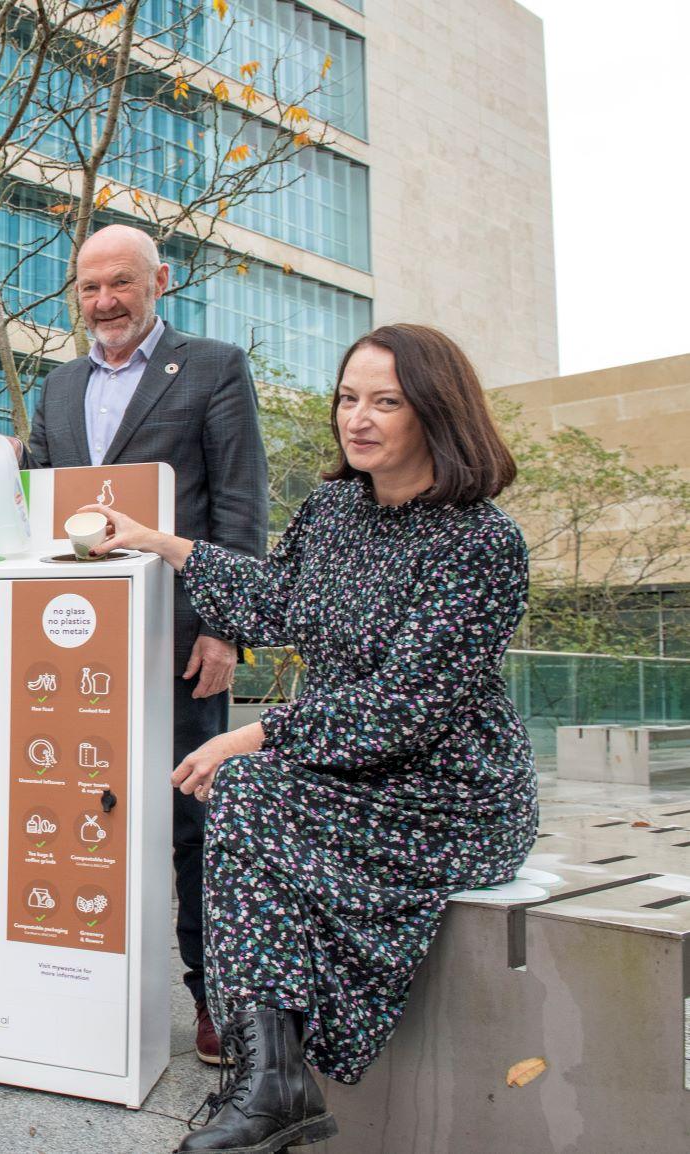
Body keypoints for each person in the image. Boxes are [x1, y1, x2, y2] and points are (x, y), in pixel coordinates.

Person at [82, 324, 534, 1153]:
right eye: (348, 398)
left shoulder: (481, 541)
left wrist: (256, 734)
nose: (357, 419)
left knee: (248, 787)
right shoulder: (335, 508)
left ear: (436, 413)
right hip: (340, 768)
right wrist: (159, 542)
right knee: (252, 798)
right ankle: (270, 1081)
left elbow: (407, 707)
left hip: (446, 791)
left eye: (385, 402)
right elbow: (277, 602)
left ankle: (270, 1083)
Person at [24, 223, 267, 1064]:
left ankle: (214, 1001)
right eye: (89, 289)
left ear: (160, 279)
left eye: (120, 283)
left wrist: (228, 629)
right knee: (79, 814)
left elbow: (239, 503)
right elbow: (38, 510)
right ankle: (80, 989)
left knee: (197, 826)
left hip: (182, 646)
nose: (105, 303)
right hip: (75, 655)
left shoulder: (213, 367)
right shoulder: (56, 387)